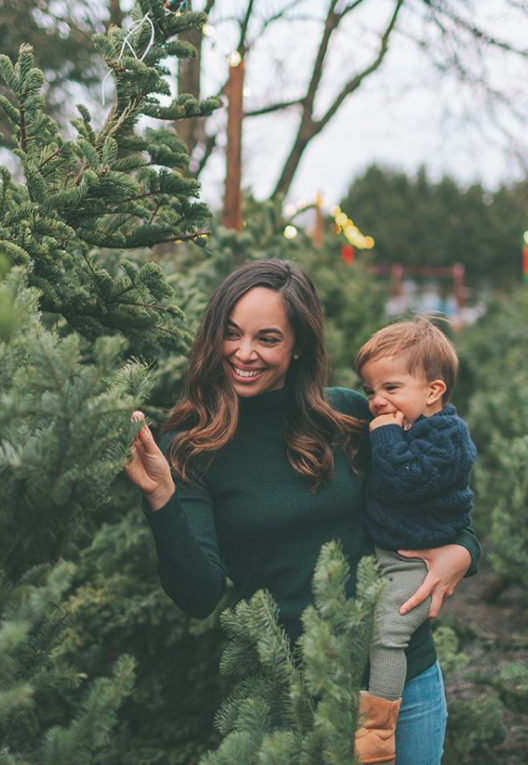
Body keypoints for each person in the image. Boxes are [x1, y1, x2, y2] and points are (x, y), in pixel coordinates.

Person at [124, 259, 480, 765]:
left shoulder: (351, 416)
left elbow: (438, 489)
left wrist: (464, 551)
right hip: (288, 698)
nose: (244, 353)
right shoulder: (191, 448)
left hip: (403, 686)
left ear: (298, 349)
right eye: (231, 334)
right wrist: (161, 497)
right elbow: (199, 594)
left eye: (267, 338)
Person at [352, 318, 477, 764]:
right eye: (369, 391)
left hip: (417, 564)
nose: (377, 402)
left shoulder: (447, 437)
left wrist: (383, 431)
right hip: (389, 552)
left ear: (433, 391)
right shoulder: (409, 423)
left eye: (389, 387)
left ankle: (378, 733)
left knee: (389, 631)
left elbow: (404, 479)